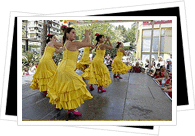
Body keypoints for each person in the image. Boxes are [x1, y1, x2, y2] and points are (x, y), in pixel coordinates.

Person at [46, 28, 94, 115]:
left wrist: (87, 36)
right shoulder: (72, 44)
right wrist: (87, 34)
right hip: (66, 69)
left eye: (75, 33)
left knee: (65, 88)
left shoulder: (68, 43)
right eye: (73, 32)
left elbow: (82, 43)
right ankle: (72, 108)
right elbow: (88, 44)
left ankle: (65, 106)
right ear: (67, 34)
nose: (75, 34)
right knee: (74, 86)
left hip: (62, 68)